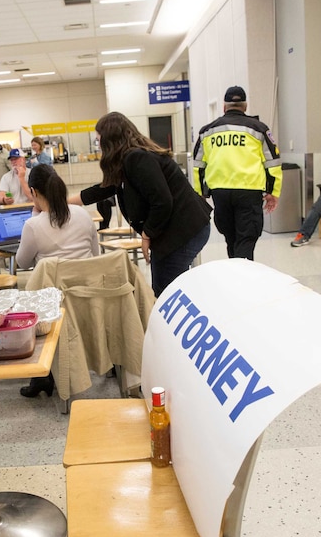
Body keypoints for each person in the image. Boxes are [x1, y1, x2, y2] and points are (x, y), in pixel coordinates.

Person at [71, 112, 212, 297]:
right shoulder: (130, 159)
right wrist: (62, 201)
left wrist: (147, 235)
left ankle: (168, 325)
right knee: (168, 288)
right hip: (180, 229)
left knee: (165, 293)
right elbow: (103, 189)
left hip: (182, 231)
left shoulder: (136, 158)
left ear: (111, 139)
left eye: (99, 141)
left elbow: (162, 201)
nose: (99, 147)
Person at [17, 164, 99, 398]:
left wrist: (36, 215)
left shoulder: (33, 225)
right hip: (88, 298)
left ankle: (43, 376)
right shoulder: (83, 214)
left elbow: (22, 263)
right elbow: (95, 256)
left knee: (28, 299)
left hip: (55, 309)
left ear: (33, 191)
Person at [192, 85, 282, 260]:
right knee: (246, 237)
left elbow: (198, 165)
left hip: (220, 192)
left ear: (224, 107)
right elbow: (273, 164)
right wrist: (273, 192)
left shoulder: (207, 131)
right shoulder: (259, 129)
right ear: (245, 106)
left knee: (230, 237)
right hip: (249, 190)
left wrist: (200, 193)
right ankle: (242, 278)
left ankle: (235, 271)